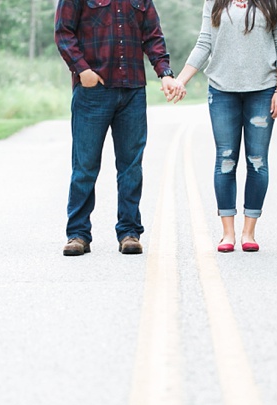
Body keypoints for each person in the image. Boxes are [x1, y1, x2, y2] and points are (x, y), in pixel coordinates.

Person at [55, 0, 181, 256]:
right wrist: (82, 70)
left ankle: (129, 232)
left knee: (131, 167)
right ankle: (78, 234)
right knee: (85, 167)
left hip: (133, 90)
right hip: (93, 91)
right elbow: (63, 32)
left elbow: (153, 35)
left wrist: (165, 72)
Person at [174, 0, 277, 252]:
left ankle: (249, 232)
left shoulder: (275, 2)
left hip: (263, 90)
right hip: (222, 91)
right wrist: (181, 80)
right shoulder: (214, 1)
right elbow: (205, 42)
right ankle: (227, 233)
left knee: (257, 161)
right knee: (225, 160)